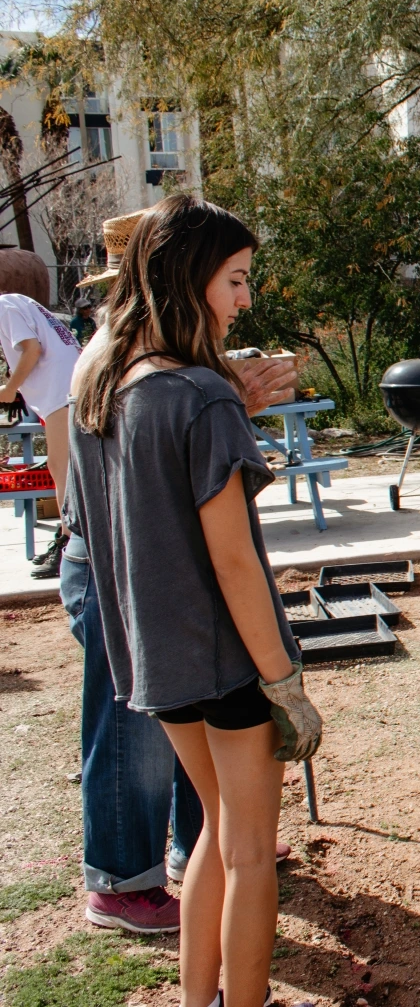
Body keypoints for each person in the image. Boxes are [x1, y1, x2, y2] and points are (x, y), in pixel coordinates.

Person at [65, 193, 323, 1007]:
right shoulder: (202, 399)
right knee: (250, 848)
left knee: (215, 828)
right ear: (190, 276)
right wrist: (284, 681)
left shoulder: (103, 383)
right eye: (237, 279)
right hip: (228, 661)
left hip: (158, 661)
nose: (247, 299)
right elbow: (237, 564)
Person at [0, 248, 81, 578]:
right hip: (69, 385)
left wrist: (8, 388)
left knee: (62, 469)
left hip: (61, 392)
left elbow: (31, 349)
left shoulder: (3, 307)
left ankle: (68, 545)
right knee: (64, 468)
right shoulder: (17, 300)